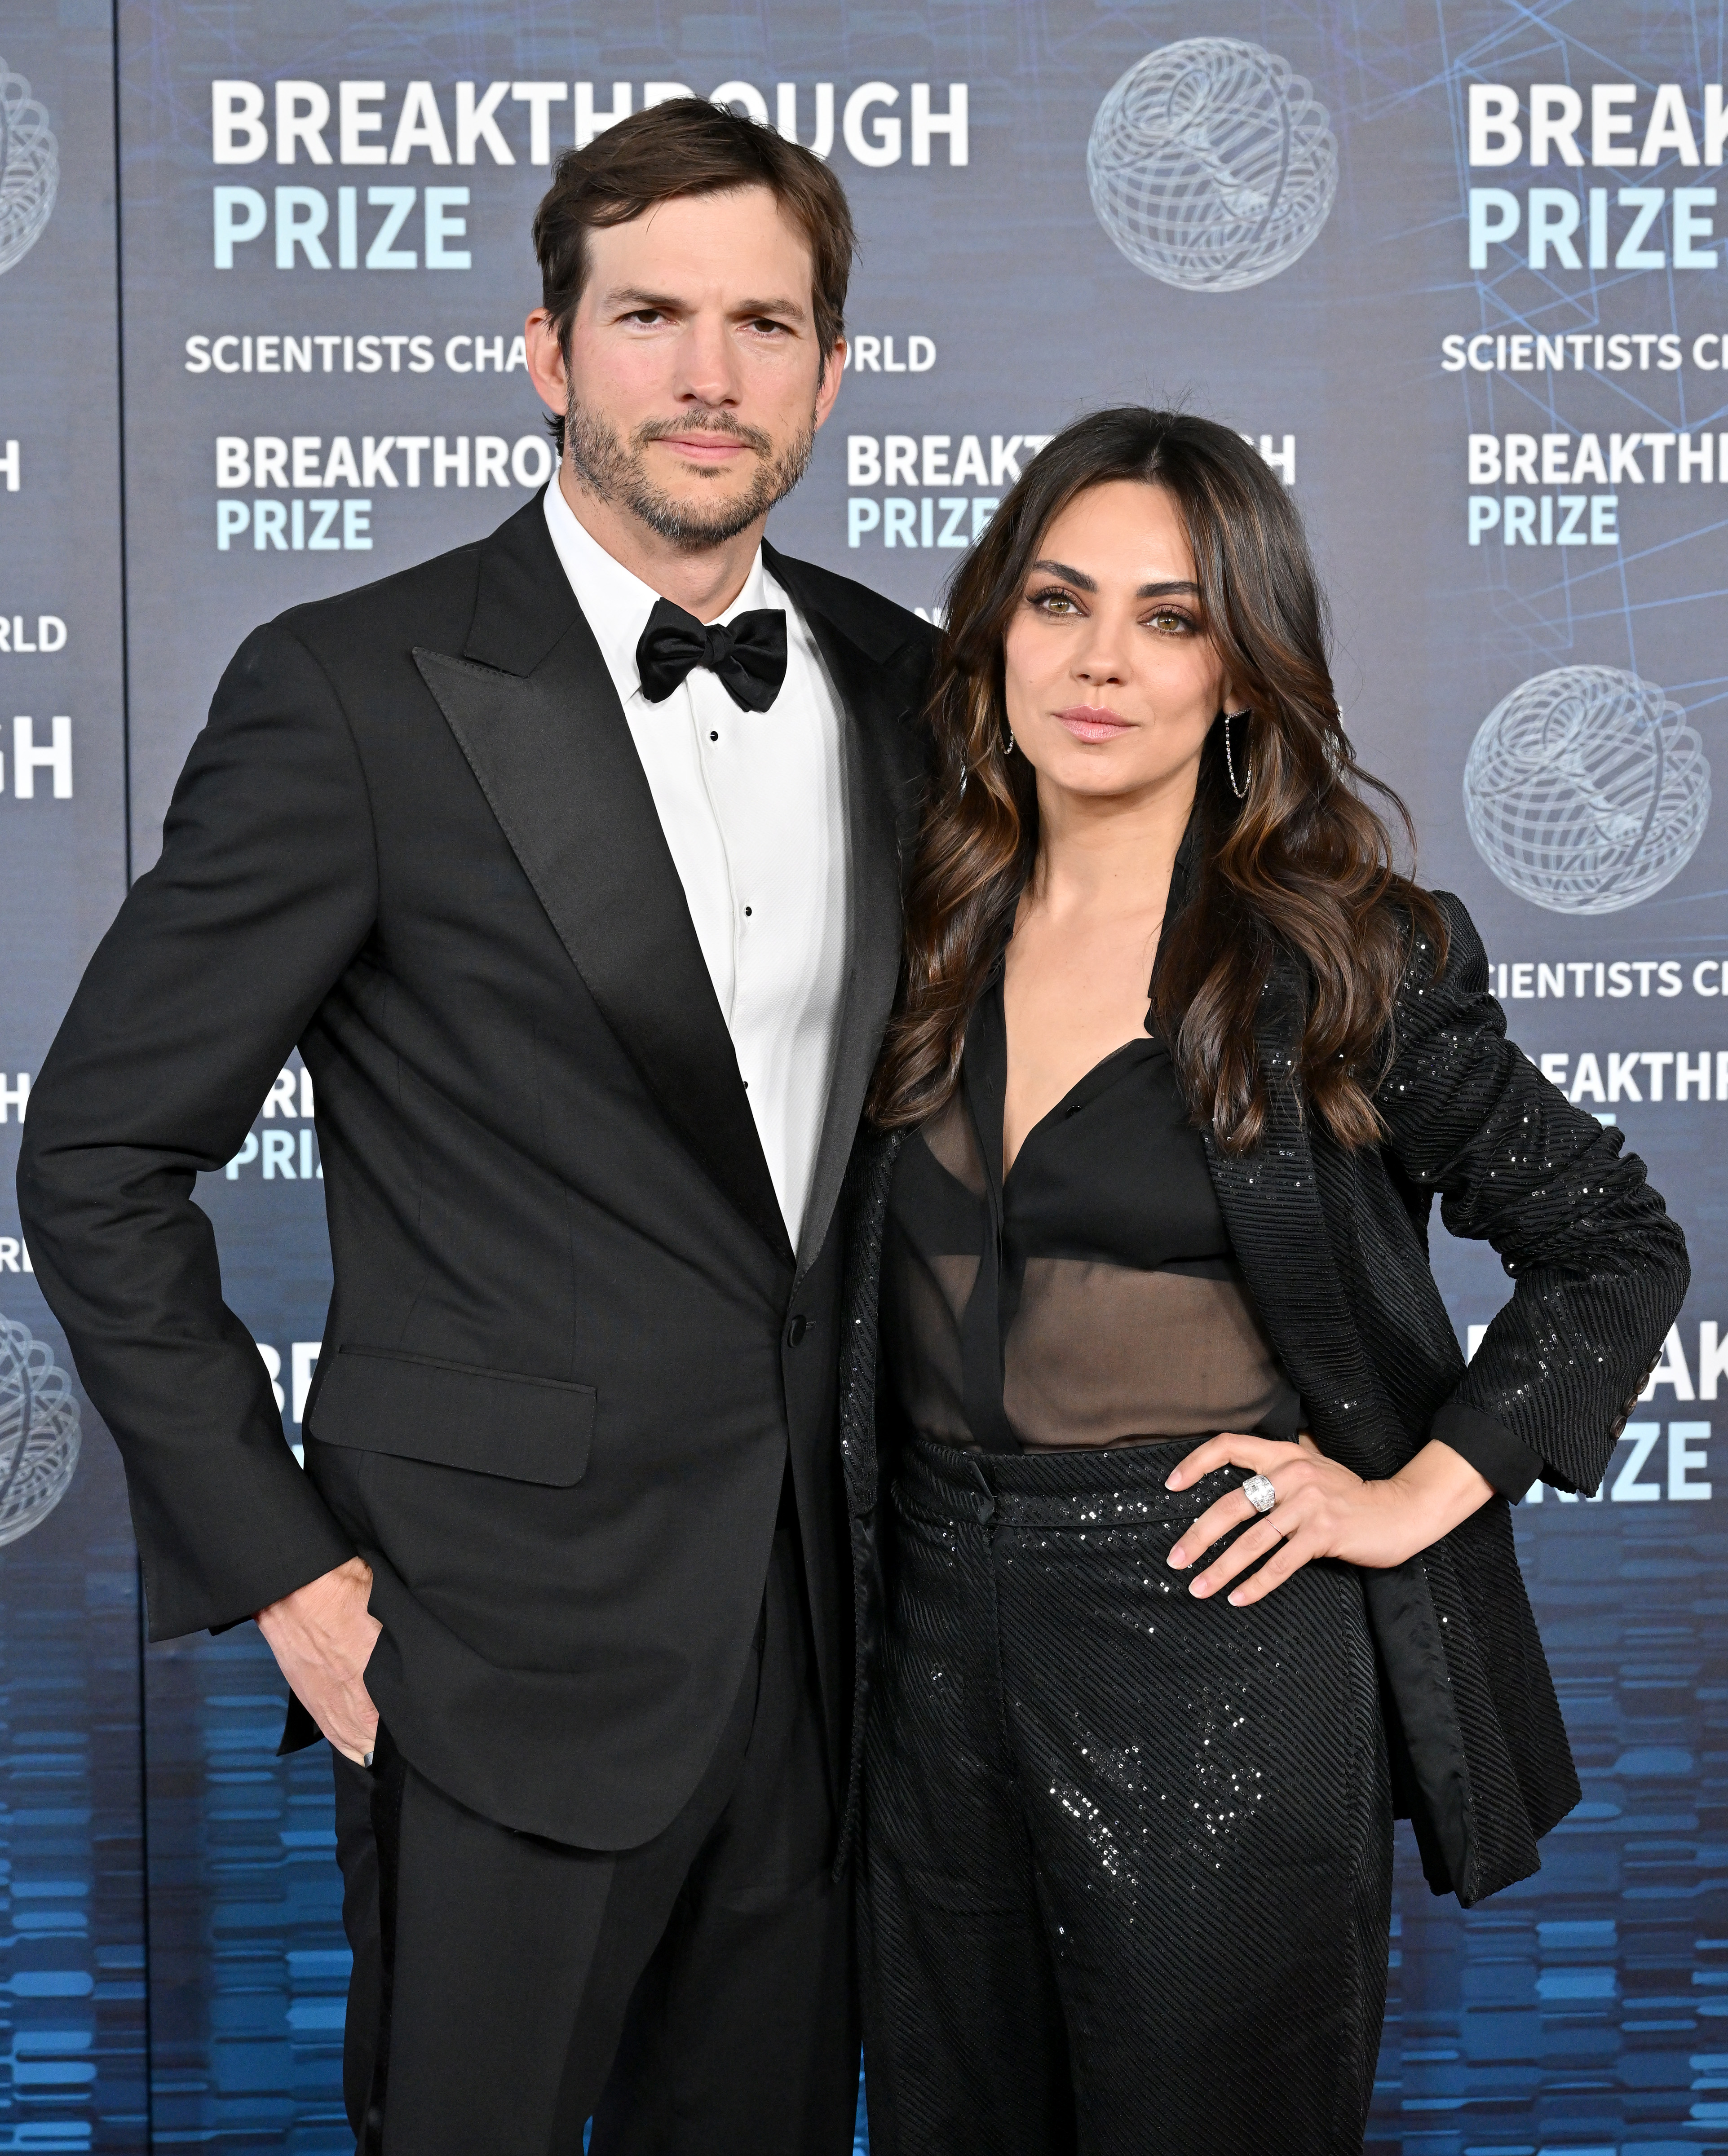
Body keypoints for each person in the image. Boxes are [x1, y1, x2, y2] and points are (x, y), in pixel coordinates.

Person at [18, 100, 933, 2156]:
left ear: (830, 371)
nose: (709, 376)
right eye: (651, 317)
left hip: (832, 1645)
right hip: (490, 1640)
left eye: (764, 324)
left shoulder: (907, 685)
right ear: (547, 353)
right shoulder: (351, 693)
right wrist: (281, 1568)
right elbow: (93, 1154)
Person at [835, 406, 1689, 2156]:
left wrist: (1409, 1498)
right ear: (992, 626)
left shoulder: (1340, 955)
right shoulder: (908, 914)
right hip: (923, 1634)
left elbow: (1611, 1247)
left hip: (1213, 1646)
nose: (1099, 662)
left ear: (1239, 675)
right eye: (1058, 602)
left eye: (1168, 618)